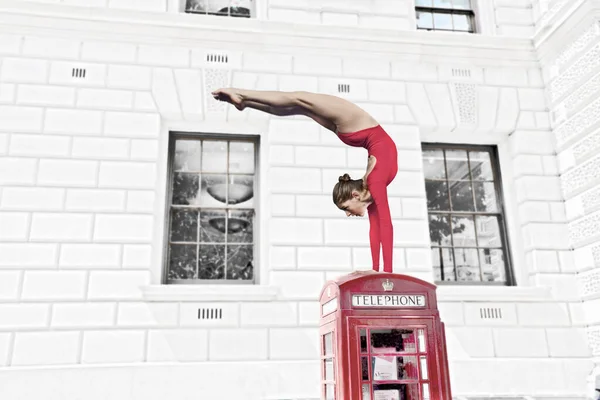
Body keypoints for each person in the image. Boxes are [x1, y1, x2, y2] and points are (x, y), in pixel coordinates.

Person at [212, 88, 398, 273]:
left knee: (299, 107)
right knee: (298, 99)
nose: (348, 214)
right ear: (355, 195)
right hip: (354, 122)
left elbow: (376, 228)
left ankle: (245, 103)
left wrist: (375, 272)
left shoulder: (371, 190)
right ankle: (243, 96)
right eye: (346, 209)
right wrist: (388, 274)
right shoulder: (375, 183)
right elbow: (386, 225)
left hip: (354, 131)